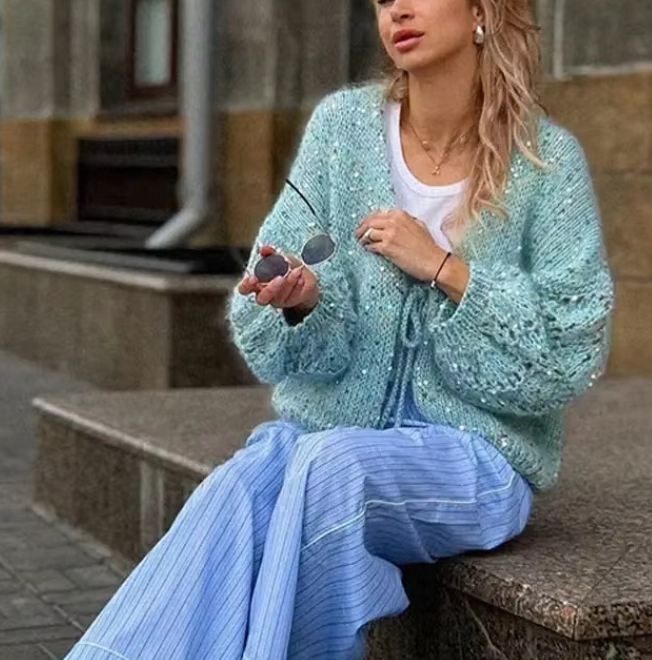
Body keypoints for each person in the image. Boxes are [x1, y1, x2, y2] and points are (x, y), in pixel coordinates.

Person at [63, 0, 614, 659]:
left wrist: (444, 269)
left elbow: (568, 350)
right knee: (237, 488)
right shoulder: (341, 130)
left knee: (330, 470)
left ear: (482, 11)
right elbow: (270, 303)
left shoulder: (546, 161)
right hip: (327, 429)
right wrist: (301, 301)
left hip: (473, 455)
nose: (397, 9)